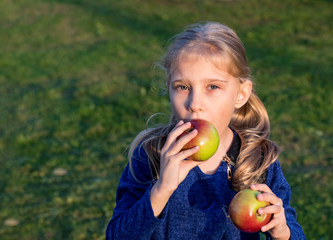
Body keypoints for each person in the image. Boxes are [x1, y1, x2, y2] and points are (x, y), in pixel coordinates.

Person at [106, 21, 306, 239]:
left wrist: (283, 231)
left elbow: (292, 229)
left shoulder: (257, 159)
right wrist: (162, 189)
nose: (195, 103)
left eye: (213, 87)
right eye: (182, 87)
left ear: (241, 94)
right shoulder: (152, 154)